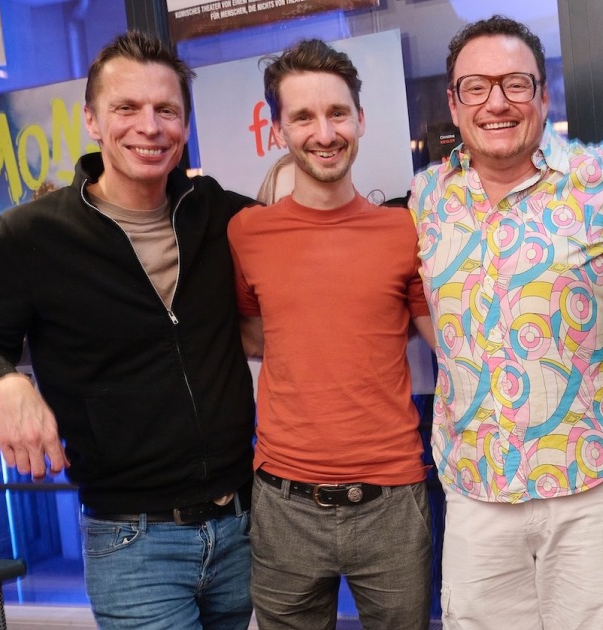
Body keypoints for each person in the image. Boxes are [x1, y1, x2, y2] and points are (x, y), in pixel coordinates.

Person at [0, 31, 256, 630]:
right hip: (132, 542)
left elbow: (307, 227)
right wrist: (6, 384)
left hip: (241, 524)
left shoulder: (217, 212)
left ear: (185, 125)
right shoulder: (33, 235)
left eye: (166, 110)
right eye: (126, 107)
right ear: (92, 119)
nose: (149, 127)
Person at [408, 15, 603, 630]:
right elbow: (413, 299)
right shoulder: (425, 198)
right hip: (474, 489)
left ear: (542, 94)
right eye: (476, 87)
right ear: (454, 104)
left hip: (591, 486)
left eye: (515, 83)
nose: (497, 103)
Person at [228, 38, 434, 629]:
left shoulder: (403, 230)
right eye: (303, 117)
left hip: (391, 499)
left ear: (361, 119)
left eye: (338, 113)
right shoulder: (246, 233)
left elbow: (443, 339)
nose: (324, 132)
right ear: (278, 130)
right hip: (284, 502)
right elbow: (256, 336)